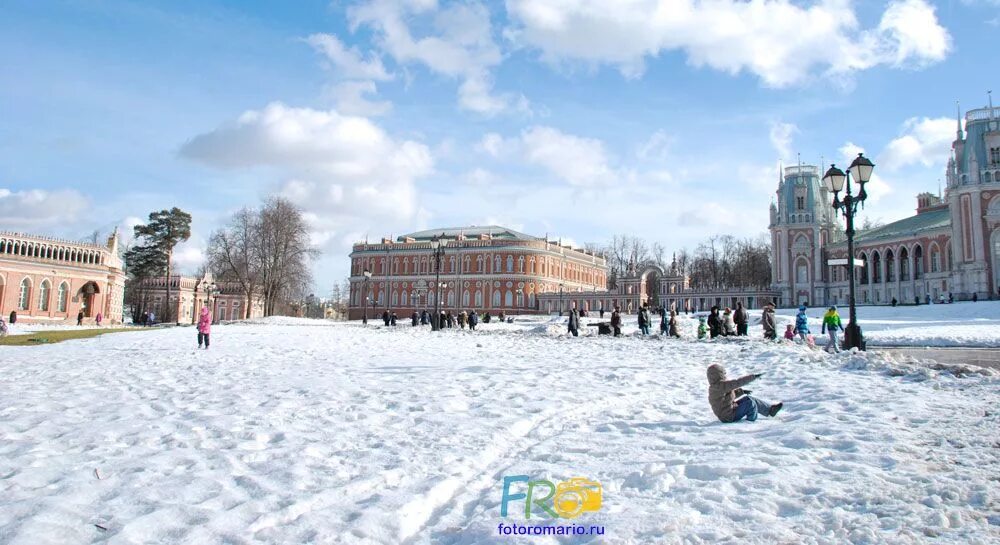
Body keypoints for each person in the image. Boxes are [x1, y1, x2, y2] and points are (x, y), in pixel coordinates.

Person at [706, 363, 782, 423]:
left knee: (749, 399)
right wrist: (753, 377)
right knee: (750, 403)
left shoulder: (718, 387)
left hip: (729, 411)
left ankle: (770, 410)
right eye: (723, 373)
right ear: (718, 374)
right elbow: (737, 382)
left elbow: (727, 398)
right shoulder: (719, 386)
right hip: (729, 416)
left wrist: (742, 392)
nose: (725, 375)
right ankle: (751, 422)